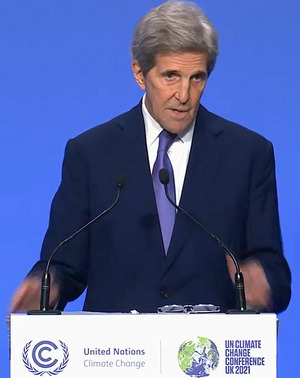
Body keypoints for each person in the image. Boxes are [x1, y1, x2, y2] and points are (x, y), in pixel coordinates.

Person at [11, 0, 291, 314]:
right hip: (114, 357)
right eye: (171, 76)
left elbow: (274, 270)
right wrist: (47, 284)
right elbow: (64, 262)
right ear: (140, 74)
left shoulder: (248, 154)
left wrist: (262, 284)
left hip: (209, 356)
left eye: (196, 78)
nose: (184, 95)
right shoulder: (90, 153)